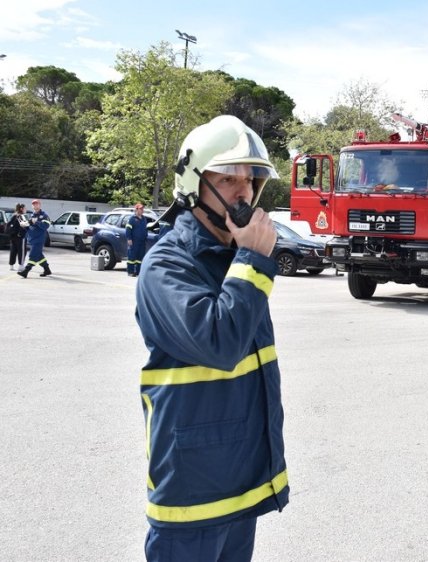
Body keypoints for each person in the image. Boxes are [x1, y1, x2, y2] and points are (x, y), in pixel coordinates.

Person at [134, 115, 288, 562]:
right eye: (228, 178)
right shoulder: (167, 265)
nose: (244, 192)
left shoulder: (234, 259)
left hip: (240, 485)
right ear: (193, 184)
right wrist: (252, 261)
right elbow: (220, 344)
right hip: (193, 493)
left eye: (251, 179)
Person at [18, 199, 51, 278]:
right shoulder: (32, 215)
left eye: (36, 204)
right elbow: (30, 227)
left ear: (40, 205)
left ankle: (25, 271)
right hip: (32, 239)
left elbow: (46, 226)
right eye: (33, 204)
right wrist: (24, 226)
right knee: (39, 256)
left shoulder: (44, 215)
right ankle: (47, 270)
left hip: (39, 240)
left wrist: (36, 222)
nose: (35, 205)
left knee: (33, 255)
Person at [126, 203, 149, 277]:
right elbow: (128, 229)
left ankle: (138, 272)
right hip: (134, 241)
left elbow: (146, 229)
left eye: (142, 209)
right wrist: (129, 239)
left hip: (142, 242)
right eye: (141, 209)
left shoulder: (144, 219)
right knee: (132, 257)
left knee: (140, 258)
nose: (142, 210)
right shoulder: (132, 219)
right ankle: (130, 272)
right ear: (136, 210)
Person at [7, 203, 27, 271]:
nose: (26, 209)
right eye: (25, 208)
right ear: (21, 209)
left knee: (13, 251)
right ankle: (21, 266)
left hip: (13, 236)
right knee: (22, 251)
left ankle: (11, 265)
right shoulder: (21, 216)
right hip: (20, 237)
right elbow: (24, 226)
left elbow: (8, 224)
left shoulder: (14, 215)